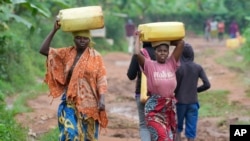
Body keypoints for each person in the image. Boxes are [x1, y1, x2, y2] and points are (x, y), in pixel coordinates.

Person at [39, 20, 108, 141]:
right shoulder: (67, 53)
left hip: (90, 105)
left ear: (89, 40)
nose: (82, 41)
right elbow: (44, 50)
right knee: (70, 135)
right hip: (69, 102)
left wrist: (102, 99)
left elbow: (101, 79)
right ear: (74, 39)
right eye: (79, 38)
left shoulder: (96, 57)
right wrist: (54, 30)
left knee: (88, 137)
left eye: (85, 38)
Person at [134, 30, 184, 141]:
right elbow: (137, 54)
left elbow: (181, 43)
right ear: (154, 52)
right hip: (154, 110)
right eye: (159, 50)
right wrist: (137, 37)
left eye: (165, 51)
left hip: (168, 110)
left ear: (168, 52)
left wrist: (164, 40)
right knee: (162, 137)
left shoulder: (172, 63)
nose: (162, 53)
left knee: (169, 138)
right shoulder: (149, 65)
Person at [174, 43, 211, 141]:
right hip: (193, 102)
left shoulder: (177, 68)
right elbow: (207, 84)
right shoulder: (198, 67)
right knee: (191, 130)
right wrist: (196, 90)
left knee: (177, 128)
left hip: (179, 102)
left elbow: (173, 85)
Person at [127, 42, 155, 141]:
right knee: (157, 124)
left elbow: (131, 75)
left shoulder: (139, 54)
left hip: (141, 93)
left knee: (144, 125)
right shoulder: (161, 52)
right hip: (158, 95)